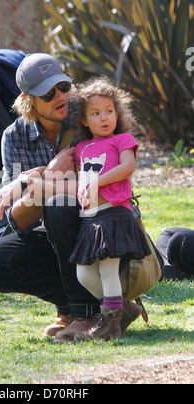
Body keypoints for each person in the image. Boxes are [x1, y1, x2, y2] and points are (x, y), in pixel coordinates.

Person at [0, 54, 146, 343]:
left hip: (101, 227)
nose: (60, 97)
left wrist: (33, 181)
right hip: (50, 235)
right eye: (47, 93)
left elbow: (94, 191)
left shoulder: (88, 117)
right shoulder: (14, 137)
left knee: (59, 206)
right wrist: (37, 178)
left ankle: (84, 313)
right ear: (28, 100)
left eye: (63, 86)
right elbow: (19, 220)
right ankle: (81, 307)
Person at [69, 76, 152, 341]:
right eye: (96, 113)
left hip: (114, 216)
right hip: (90, 219)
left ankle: (110, 327)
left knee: (107, 269)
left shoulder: (122, 140)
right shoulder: (81, 148)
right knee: (84, 273)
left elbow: (127, 168)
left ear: (117, 113)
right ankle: (124, 309)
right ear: (84, 119)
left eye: (109, 111)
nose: (104, 118)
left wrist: (97, 182)